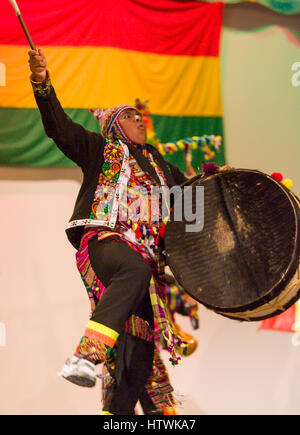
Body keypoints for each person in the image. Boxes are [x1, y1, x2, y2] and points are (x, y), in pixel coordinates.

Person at [28, 48, 230, 415]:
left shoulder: (161, 169)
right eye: (131, 116)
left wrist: (220, 185)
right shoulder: (100, 150)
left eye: (141, 116)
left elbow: (193, 210)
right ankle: (83, 358)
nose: (140, 121)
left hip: (145, 268)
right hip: (106, 242)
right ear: (115, 126)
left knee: (138, 355)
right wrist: (42, 84)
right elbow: (58, 127)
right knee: (132, 270)